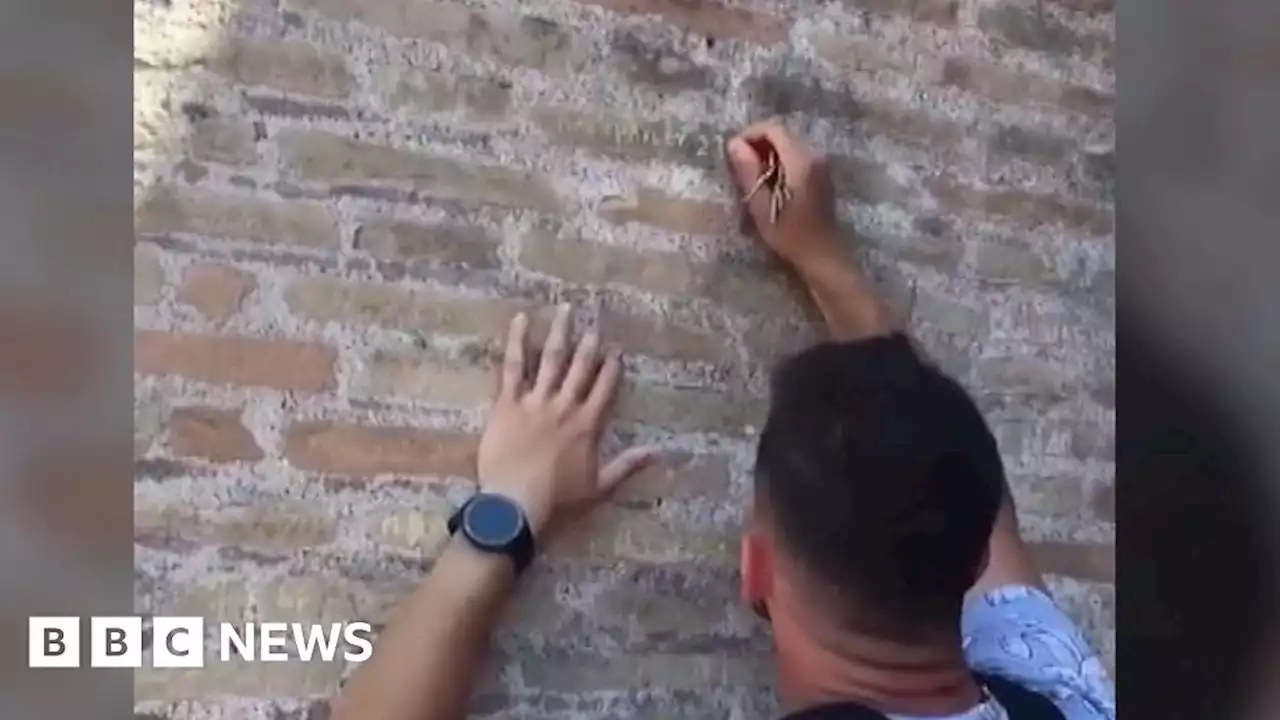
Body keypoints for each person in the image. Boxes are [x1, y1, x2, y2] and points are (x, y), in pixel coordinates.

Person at [330, 121, 1117, 720]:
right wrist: (826, 260)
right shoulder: (1061, 697)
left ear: (756, 573)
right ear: (974, 555)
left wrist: (504, 515)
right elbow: (934, 445)